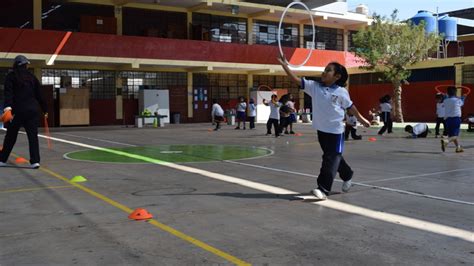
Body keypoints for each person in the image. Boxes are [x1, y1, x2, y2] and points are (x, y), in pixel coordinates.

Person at [278, 56, 370, 200]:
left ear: (337, 76)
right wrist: (285, 66)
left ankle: (323, 189)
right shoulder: (314, 87)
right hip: (321, 130)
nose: (324, 72)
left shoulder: (341, 92)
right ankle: (348, 175)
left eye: (328, 70)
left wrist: (362, 119)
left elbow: (350, 107)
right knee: (334, 158)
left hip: (336, 131)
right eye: (325, 69)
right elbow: (296, 80)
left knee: (330, 158)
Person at [0, 55, 48, 169]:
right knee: (33, 137)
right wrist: (45, 109)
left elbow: (8, 94)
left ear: (15, 64)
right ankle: (35, 161)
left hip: (17, 111)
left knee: (11, 136)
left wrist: (8, 108)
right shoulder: (32, 77)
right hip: (32, 111)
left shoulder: (11, 76)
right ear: (25, 65)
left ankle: (2, 159)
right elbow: (39, 95)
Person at [441, 86, 467, 153]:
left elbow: (445, 101)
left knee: (452, 135)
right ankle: (446, 141)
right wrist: (463, 97)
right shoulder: (458, 100)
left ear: (447, 93)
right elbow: (462, 103)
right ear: (455, 93)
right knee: (455, 136)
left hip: (447, 120)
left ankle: (458, 147)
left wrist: (445, 97)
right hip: (456, 119)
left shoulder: (445, 100)